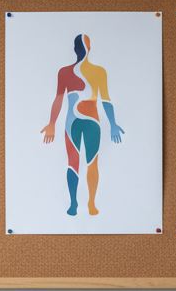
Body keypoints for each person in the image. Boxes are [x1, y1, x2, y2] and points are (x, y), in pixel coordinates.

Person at [40, 33, 124, 216]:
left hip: (90, 122)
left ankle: (91, 203)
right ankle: (74, 203)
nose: (84, 49)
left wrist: (114, 124)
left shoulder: (99, 72)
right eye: (85, 45)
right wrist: (52, 123)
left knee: (91, 163)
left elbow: (106, 100)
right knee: (74, 163)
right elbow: (59, 99)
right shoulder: (64, 72)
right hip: (75, 124)